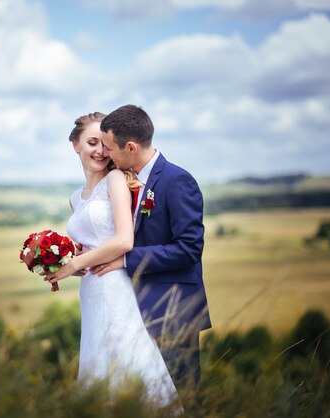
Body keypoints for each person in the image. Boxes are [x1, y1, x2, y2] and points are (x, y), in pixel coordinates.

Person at [45, 112, 179, 409]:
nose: (100, 151)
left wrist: (75, 265)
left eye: (104, 144)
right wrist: (63, 258)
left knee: (127, 362)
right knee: (98, 365)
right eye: (92, 142)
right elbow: (92, 246)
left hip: (116, 289)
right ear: (75, 145)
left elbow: (123, 240)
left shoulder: (115, 180)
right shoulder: (76, 198)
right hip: (91, 291)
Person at [92, 104, 212, 400]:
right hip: (131, 310)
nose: (106, 154)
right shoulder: (124, 180)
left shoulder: (177, 181)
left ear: (130, 147)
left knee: (181, 398)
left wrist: (124, 260)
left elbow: (189, 249)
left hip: (172, 311)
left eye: (109, 147)